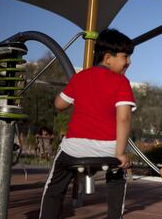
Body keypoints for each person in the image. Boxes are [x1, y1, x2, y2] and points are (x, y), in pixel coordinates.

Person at [39, 28, 136, 219]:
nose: (129, 62)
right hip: (108, 150)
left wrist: (74, 92)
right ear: (108, 58)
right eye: (125, 56)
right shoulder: (121, 82)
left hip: (74, 149)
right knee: (117, 177)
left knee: (54, 186)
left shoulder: (80, 77)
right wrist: (120, 153)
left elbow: (59, 105)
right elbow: (123, 119)